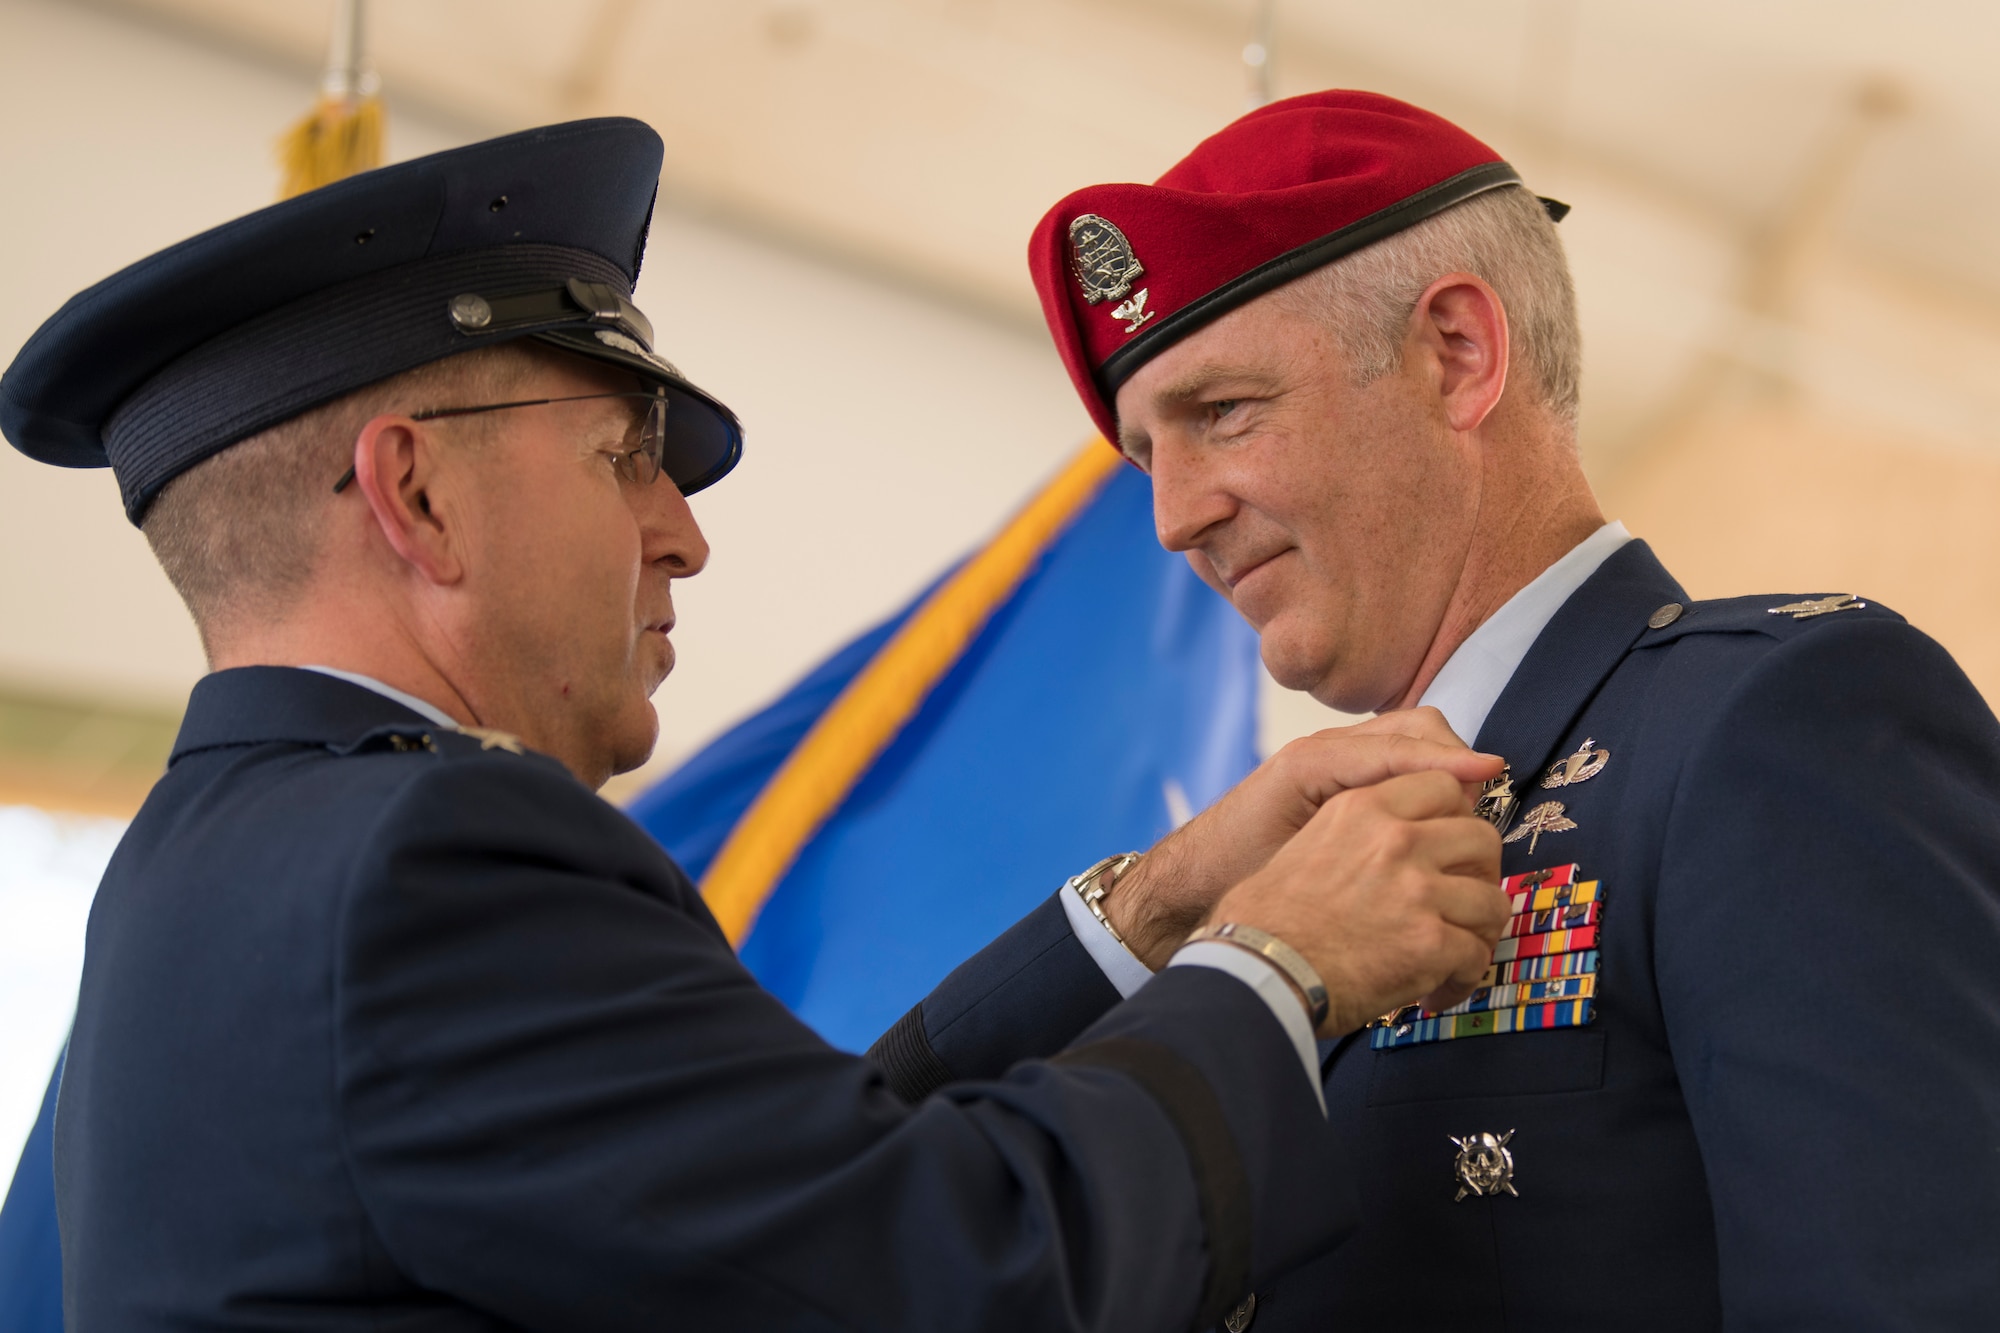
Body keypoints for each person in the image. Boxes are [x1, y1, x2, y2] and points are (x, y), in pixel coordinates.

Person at [0, 118, 1517, 1331]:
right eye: (624, 458)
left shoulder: (219, 862)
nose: (681, 535)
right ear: (416, 493)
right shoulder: (427, 861)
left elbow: (777, 1186)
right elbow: (954, 1269)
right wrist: (1282, 962)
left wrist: (1156, 904)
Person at [887, 90, 2000, 1330]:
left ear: (1456, 354)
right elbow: (872, 1206)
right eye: (1147, 456)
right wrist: (1157, 898)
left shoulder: (1774, 720)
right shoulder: (1275, 868)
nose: (1173, 518)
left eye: (1222, 413)